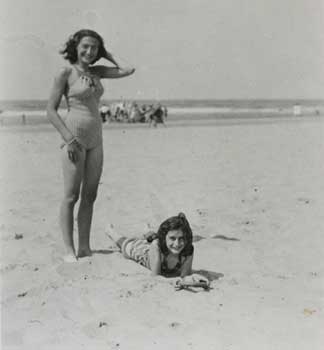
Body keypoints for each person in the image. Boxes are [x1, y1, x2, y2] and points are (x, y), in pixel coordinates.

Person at [46, 29, 135, 262]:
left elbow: (128, 69)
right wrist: (68, 138)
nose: (89, 51)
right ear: (75, 46)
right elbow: (50, 110)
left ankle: (84, 247)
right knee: (70, 196)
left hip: (96, 138)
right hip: (73, 137)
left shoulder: (97, 72)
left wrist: (107, 53)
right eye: (85, 46)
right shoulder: (65, 72)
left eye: (95, 47)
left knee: (90, 195)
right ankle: (69, 250)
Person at [106, 213, 210, 287]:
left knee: (154, 238)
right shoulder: (157, 246)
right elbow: (155, 277)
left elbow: (185, 276)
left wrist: (196, 279)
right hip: (145, 253)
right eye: (173, 238)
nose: (177, 244)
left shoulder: (188, 249)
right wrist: (175, 280)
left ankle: (148, 231)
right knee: (127, 245)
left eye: (181, 238)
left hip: (161, 243)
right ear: (165, 237)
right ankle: (111, 232)